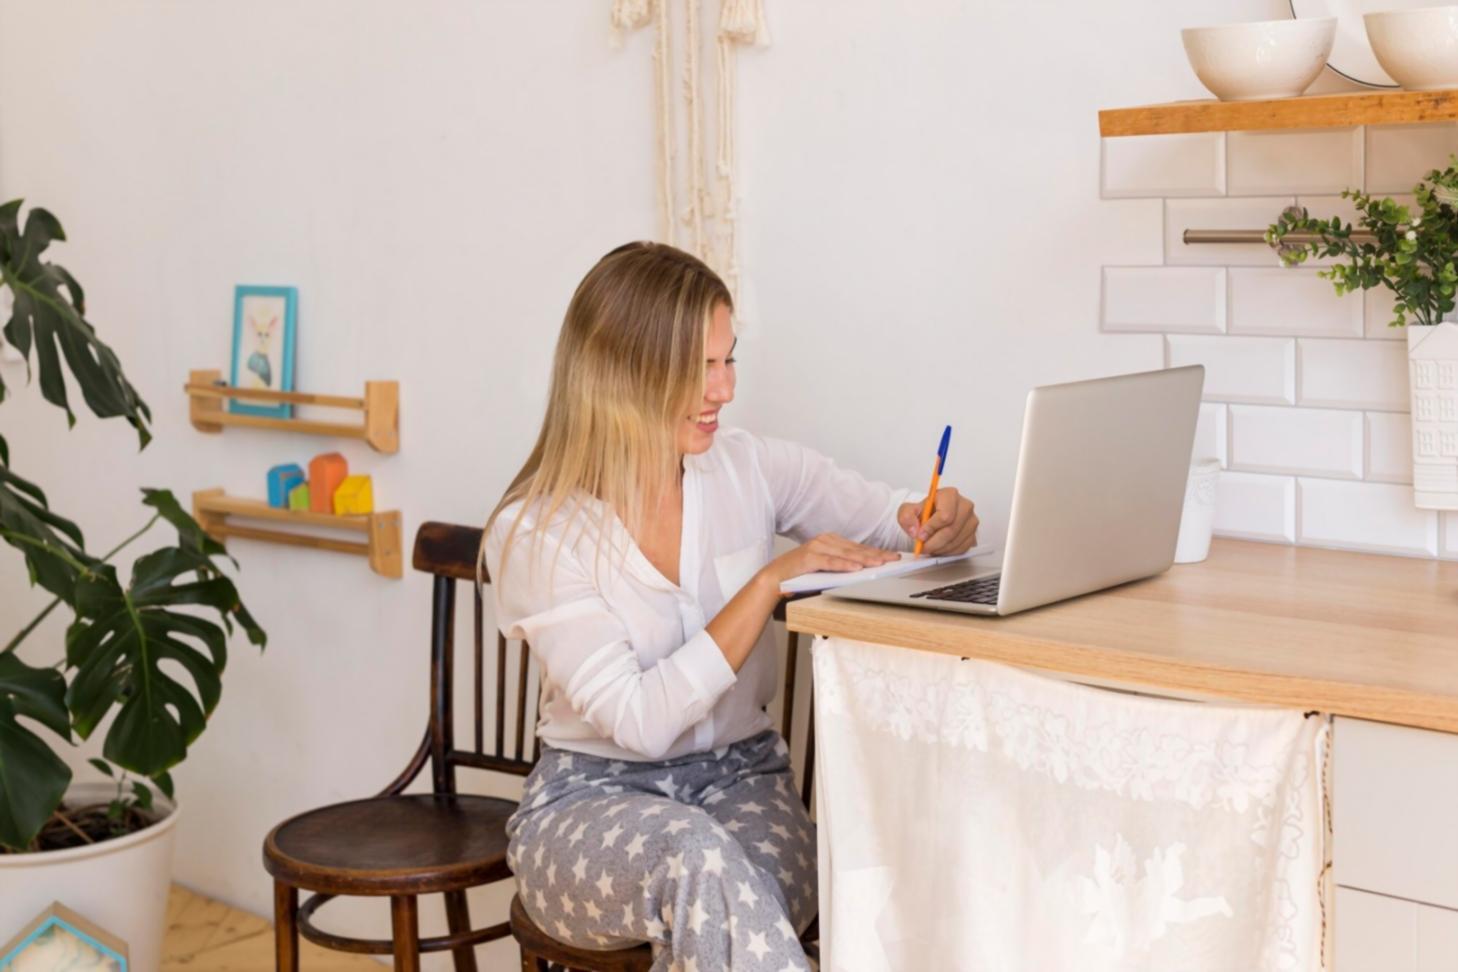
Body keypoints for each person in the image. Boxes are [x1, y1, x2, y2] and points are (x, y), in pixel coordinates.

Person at [481, 241, 978, 970]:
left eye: (728, 360)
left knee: (725, 908)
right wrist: (769, 581)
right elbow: (642, 722)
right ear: (623, 370)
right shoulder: (539, 531)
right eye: (701, 367)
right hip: (586, 804)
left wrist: (941, 520)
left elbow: (895, 522)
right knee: (700, 864)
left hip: (745, 782)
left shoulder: (754, 468)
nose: (725, 389)